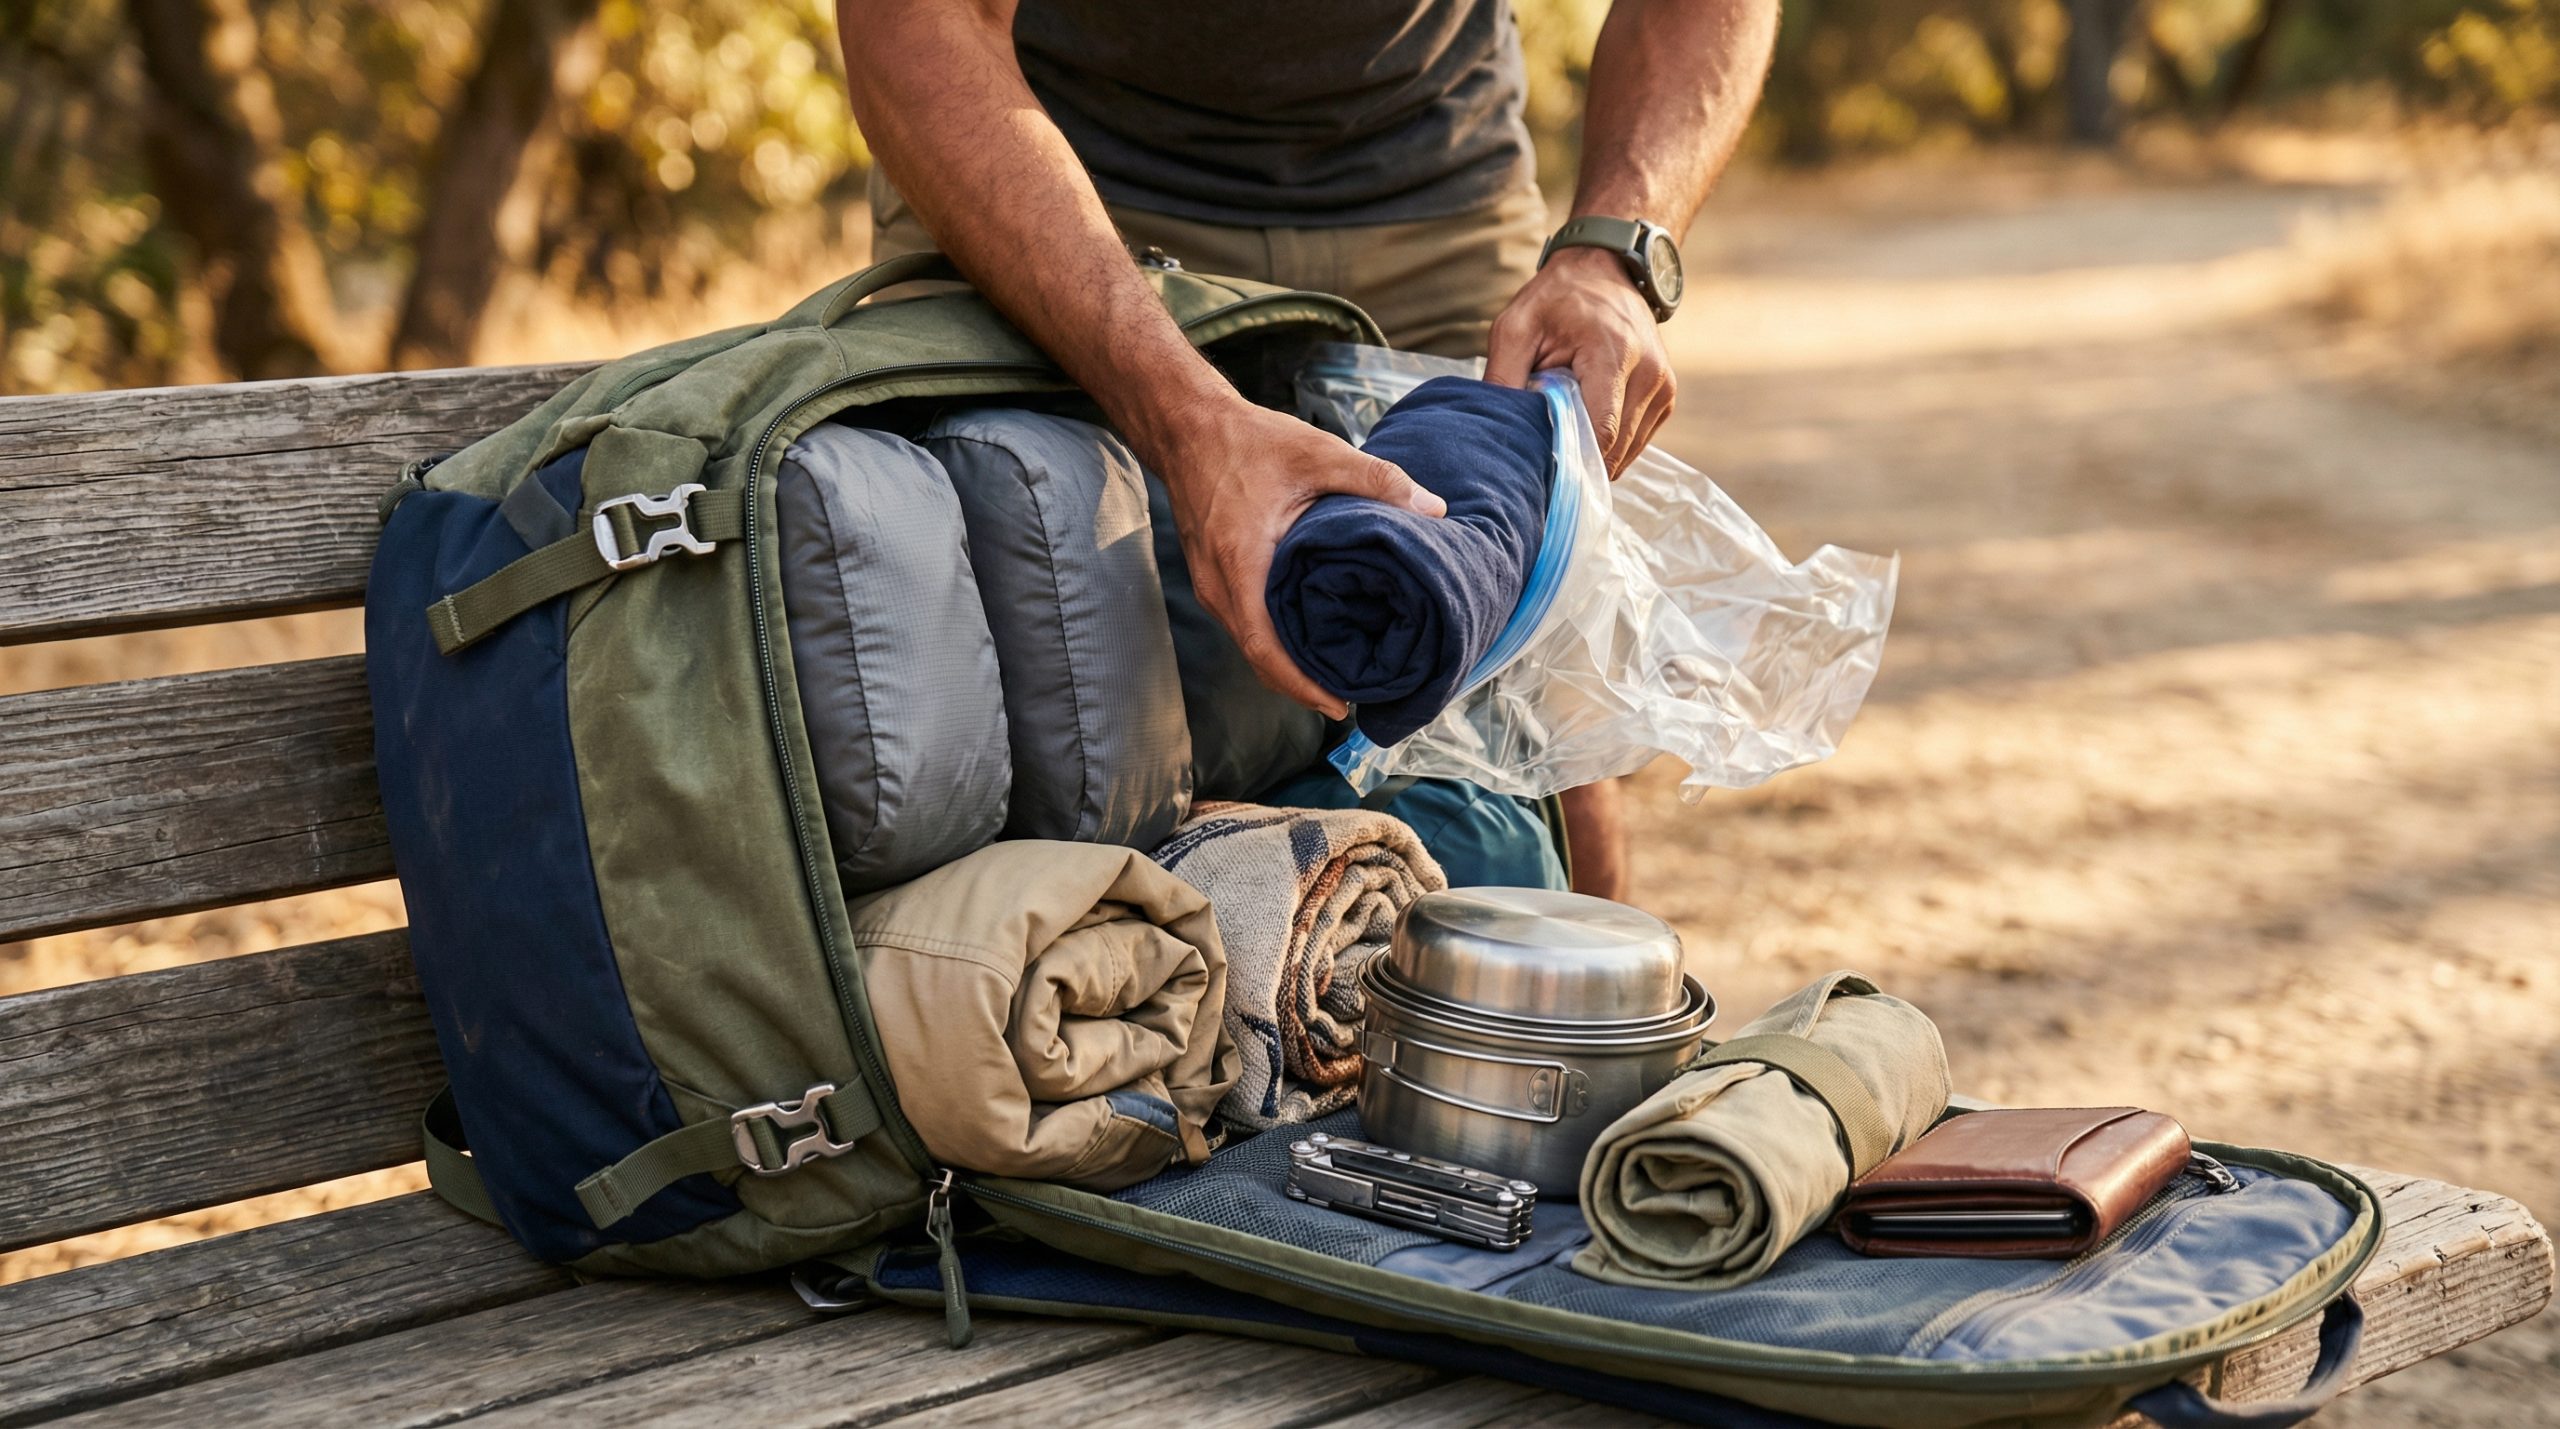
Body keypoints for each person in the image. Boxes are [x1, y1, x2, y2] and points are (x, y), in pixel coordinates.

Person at [838, 0, 1780, 900]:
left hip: (1425, 191)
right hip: (1041, 172)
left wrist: (1616, 255)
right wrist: (1186, 420)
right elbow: (918, 25)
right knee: (995, 714)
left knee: (1544, 741)